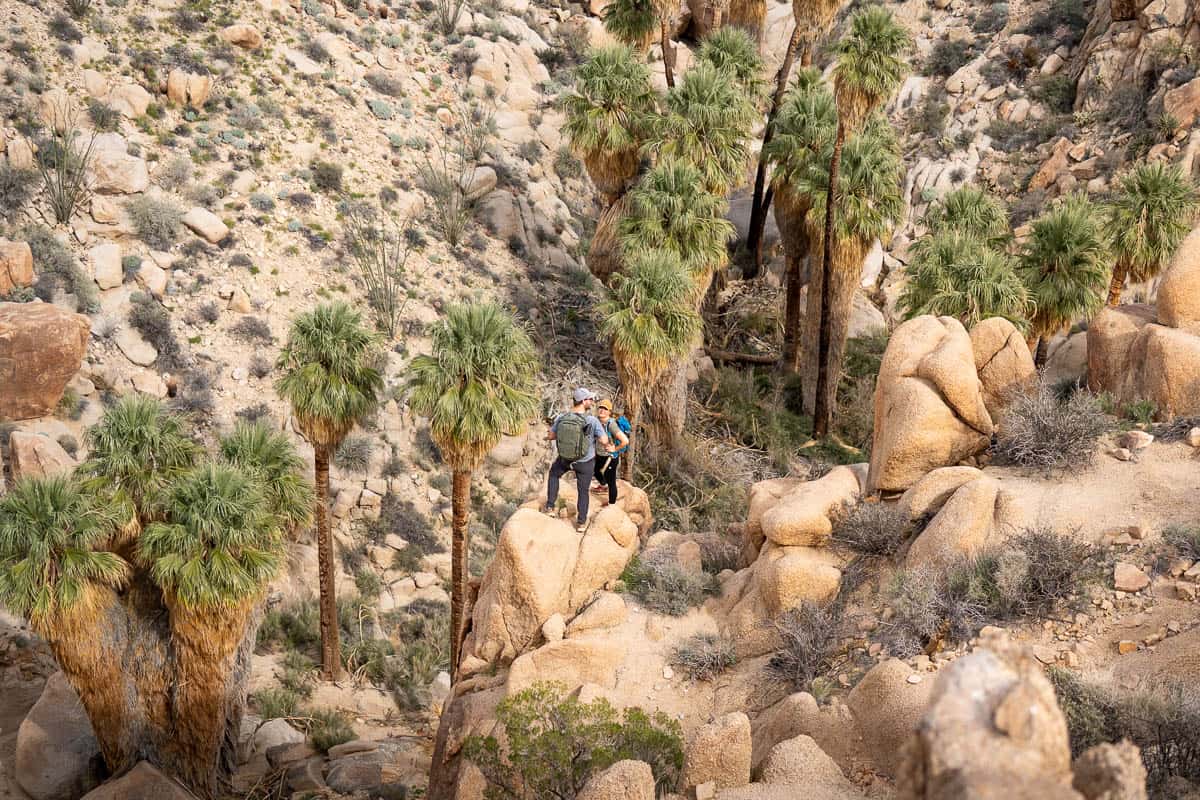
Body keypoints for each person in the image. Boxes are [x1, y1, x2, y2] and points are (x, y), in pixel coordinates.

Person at [545, 388, 610, 531]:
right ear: (583, 401)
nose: (592, 402)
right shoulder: (591, 420)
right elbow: (604, 440)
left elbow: (551, 436)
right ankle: (581, 523)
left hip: (565, 459)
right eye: (590, 399)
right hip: (585, 462)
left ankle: (549, 507)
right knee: (583, 490)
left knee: (554, 475)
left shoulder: (562, 417)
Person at [591, 399, 630, 506]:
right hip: (599, 455)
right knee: (595, 471)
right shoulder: (596, 421)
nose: (602, 410)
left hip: (610, 458)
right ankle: (603, 486)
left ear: (609, 412)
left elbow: (625, 441)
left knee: (611, 481)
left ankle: (612, 504)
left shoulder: (611, 425)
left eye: (605, 409)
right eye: (601, 408)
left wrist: (615, 449)